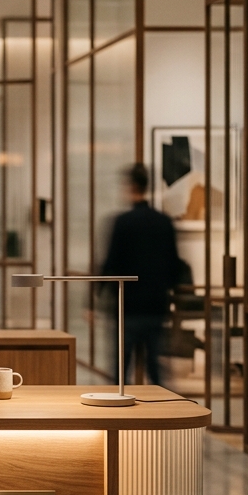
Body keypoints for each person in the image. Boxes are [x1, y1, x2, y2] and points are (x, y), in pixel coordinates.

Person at [100, 163, 180, 387]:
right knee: (156, 370)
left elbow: (111, 263)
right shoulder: (164, 223)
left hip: (127, 307)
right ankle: (164, 418)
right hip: (155, 305)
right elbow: (174, 266)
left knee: (120, 373)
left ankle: (118, 420)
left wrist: (97, 297)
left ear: (131, 186)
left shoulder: (122, 223)